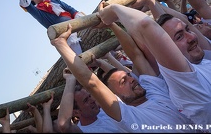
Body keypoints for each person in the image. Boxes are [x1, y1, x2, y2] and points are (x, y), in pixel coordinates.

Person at [50, 22, 195, 132]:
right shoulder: (129, 117)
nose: (131, 79)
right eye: (123, 82)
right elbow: (92, 84)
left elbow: (136, 55)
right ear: (116, 97)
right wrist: (61, 44)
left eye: (128, 76)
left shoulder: (154, 90)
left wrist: (111, 24)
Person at [97, 1, 211, 130]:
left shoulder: (202, 62)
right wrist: (113, 10)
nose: (191, 37)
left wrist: (151, 2)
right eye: (179, 37)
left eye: (188, 29)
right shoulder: (187, 82)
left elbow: (140, 51)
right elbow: (144, 28)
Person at [11, 0, 85, 54]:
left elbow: (71, 9)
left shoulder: (55, 1)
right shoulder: (37, 12)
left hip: (77, 24)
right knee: (72, 40)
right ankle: (84, 62)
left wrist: (81, 19)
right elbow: (26, 3)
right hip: (66, 34)